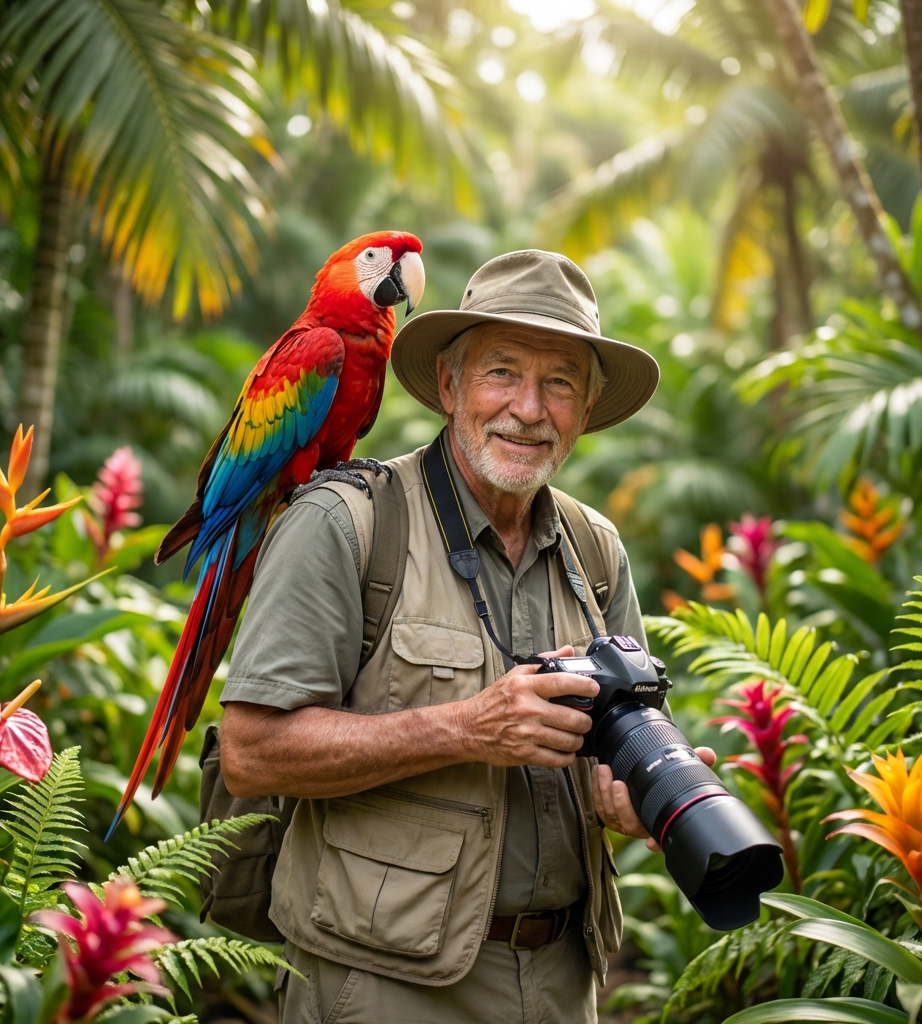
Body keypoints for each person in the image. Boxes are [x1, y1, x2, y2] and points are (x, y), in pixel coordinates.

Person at [219, 249, 715, 1024]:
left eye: (560, 383)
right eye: (501, 372)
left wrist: (630, 797)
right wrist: (466, 728)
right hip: (382, 988)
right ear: (448, 386)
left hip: (565, 984)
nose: (527, 408)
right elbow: (251, 754)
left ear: (585, 410)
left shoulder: (596, 552)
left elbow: (604, 763)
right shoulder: (345, 525)